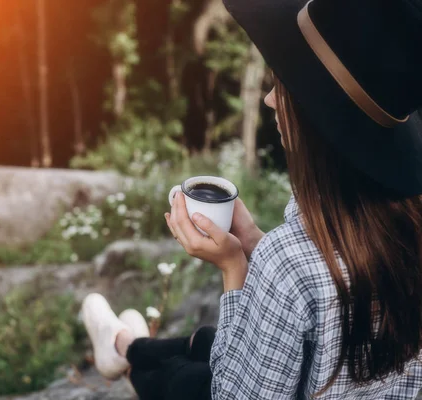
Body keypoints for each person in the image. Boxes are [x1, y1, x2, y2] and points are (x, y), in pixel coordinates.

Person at [81, 0, 422, 397]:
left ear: (317, 118)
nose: (270, 100)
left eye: (284, 86)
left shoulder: (289, 262)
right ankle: (125, 343)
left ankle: (123, 349)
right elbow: (331, 303)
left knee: (186, 379)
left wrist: (233, 267)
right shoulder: (405, 226)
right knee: (208, 340)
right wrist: (257, 246)